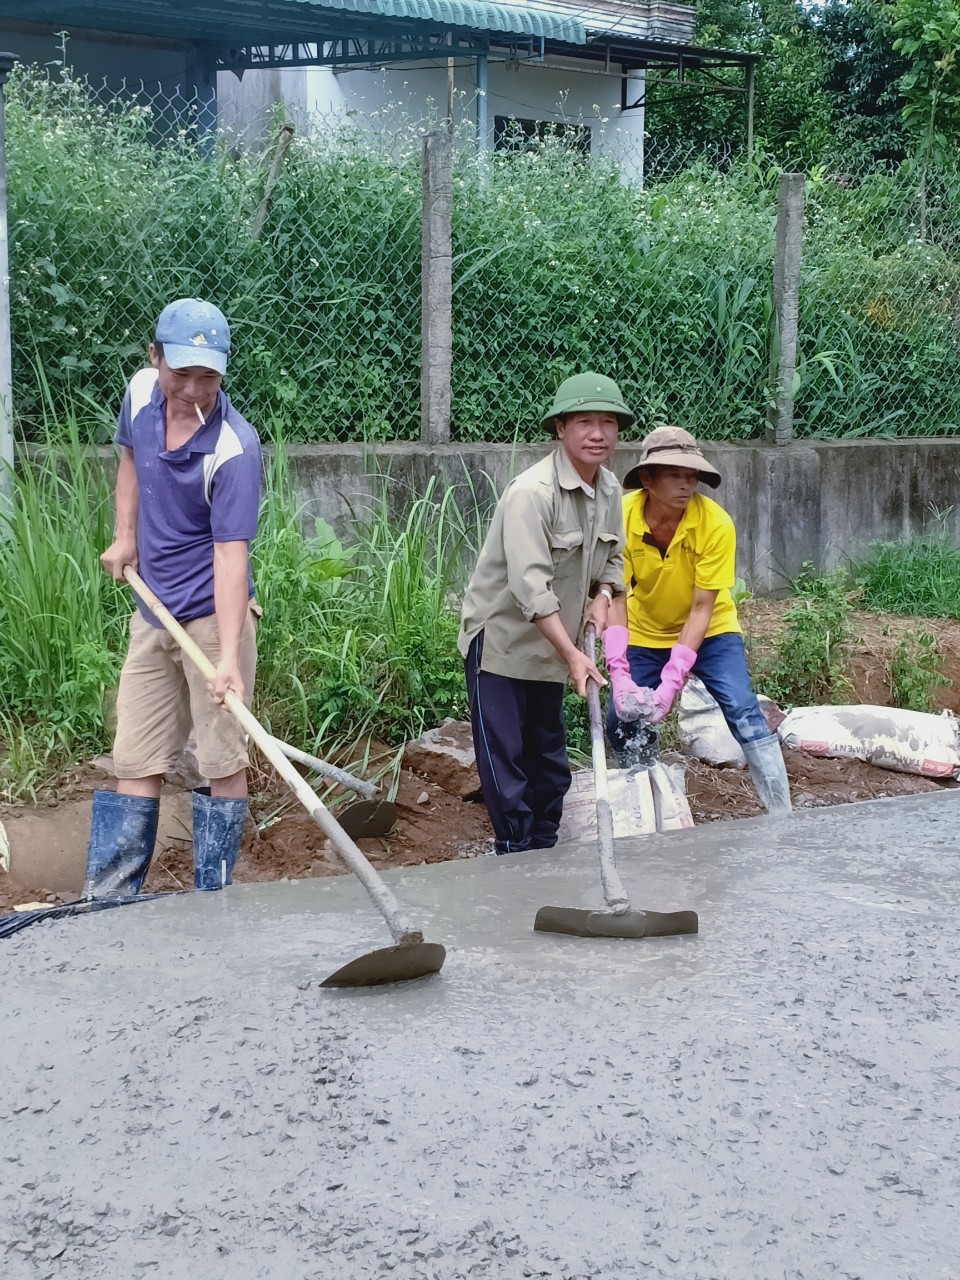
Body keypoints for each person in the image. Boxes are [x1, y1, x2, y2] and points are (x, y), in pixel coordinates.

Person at [82, 298, 263, 899]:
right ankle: (111, 901)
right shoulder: (139, 394)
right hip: (151, 609)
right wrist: (125, 535)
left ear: (223, 370)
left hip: (215, 616)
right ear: (154, 357)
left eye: (207, 375)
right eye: (180, 372)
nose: (192, 389)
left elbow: (230, 558)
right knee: (136, 756)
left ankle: (213, 899)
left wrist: (230, 657)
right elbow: (131, 460)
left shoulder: (235, 448)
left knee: (221, 759)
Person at [458, 372, 638, 854]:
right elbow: (529, 589)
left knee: (549, 760)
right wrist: (574, 655)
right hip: (502, 642)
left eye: (608, 423)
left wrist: (602, 597)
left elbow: (616, 559)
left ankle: (545, 850)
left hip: (557, 646)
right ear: (561, 428)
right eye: (585, 422)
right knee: (507, 760)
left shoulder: (610, 489)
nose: (598, 433)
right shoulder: (531, 493)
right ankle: (515, 854)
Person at [604, 424, 792, 813]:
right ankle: (650, 808)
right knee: (621, 722)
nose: (686, 485)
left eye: (692, 476)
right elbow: (615, 595)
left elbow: (702, 608)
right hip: (643, 628)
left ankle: (781, 815)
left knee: (743, 710)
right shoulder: (619, 517)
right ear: (647, 478)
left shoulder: (715, 523)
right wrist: (619, 671)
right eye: (674, 474)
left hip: (711, 631)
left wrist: (672, 682)